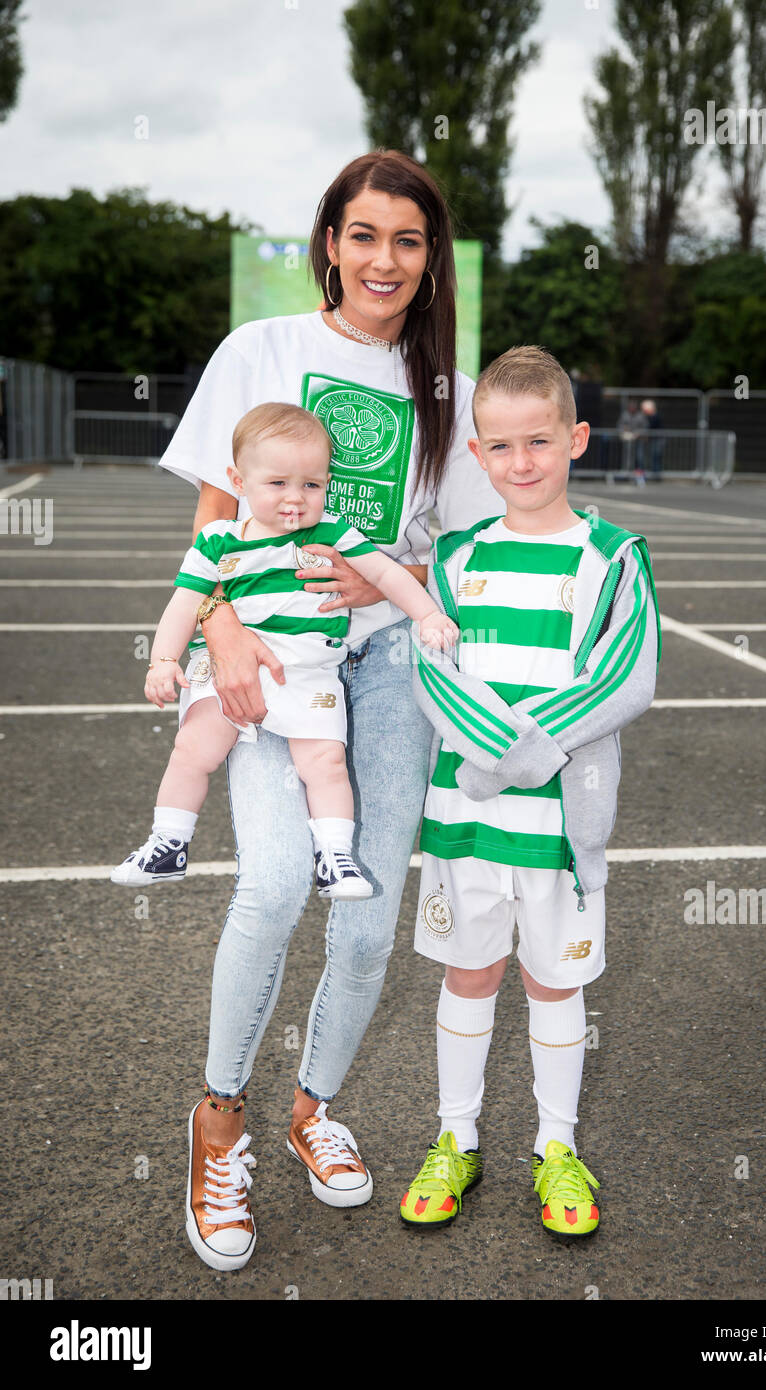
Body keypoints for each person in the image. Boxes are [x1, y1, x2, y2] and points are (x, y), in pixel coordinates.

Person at [155, 149, 502, 1271]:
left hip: (386, 662)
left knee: (363, 919)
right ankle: (218, 1122)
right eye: (364, 235)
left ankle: (310, 1106)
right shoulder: (263, 350)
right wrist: (218, 635)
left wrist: (381, 579)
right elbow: (214, 518)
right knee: (268, 880)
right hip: (263, 654)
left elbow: (454, 543)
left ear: (429, 258)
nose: (384, 259)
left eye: (408, 240)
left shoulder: (442, 384)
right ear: (330, 242)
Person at [401, 346, 661, 1237]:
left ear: (577, 438)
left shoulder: (614, 557)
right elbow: (432, 676)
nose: (522, 463)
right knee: (470, 971)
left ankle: (556, 1148)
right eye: (501, 446)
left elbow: (623, 680)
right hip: (463, 817)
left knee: (555, 984)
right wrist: (492, 760)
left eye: (540, 442)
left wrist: (509, 757)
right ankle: (455, 1137)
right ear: (476, 454)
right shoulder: (454, 556)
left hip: (557, 821)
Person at [111, 402, 457, 900]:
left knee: (326, 764)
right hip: (228, 668)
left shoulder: (332, 533)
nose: (296, 499)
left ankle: (335, 857)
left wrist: (427, 615)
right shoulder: (218, 541)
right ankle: (169, 842)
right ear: (238, 480)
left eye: (311, 485)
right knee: (192, 750)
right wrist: (163, 660)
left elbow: (385, 574)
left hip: (309, 674)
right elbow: (184, 604)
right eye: (278, 483)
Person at [641, 397, 664, 480]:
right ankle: (651, 475)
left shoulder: (655, 416)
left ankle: (656, 476)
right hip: (652, 440)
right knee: (650, 458)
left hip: (657, 440)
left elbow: (651, 427)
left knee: (656, 457)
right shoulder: (647, 417)